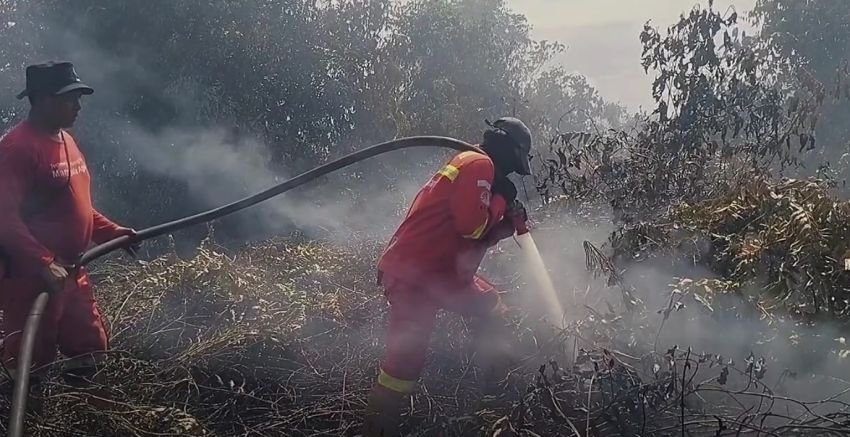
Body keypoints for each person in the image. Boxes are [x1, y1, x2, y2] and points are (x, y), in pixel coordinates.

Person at [362, 117, 534, 436]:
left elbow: (475, 234)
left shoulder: (475, 166)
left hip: (435, 274)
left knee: (493, 306)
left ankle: (490, 395)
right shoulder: (479, 164)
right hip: (415, 275)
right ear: (508, 150)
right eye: (513, 166)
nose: (511, 174)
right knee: (404, 363)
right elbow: (471, 228)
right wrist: (500, 200)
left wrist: (507, 221)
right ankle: (378, 428)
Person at [0, 61, 139, 391]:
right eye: (69, 98)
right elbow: (3, 217)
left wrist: (113, 232)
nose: (78, 106)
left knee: (90, 347)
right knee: (29, 359)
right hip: (30, 278)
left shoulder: (66, 140)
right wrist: (44, 263)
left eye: (78, 97)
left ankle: (83, 416)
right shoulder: (17, 149)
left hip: (73, 271)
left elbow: (76, 205)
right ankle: (25, 418)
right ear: (43, 99)